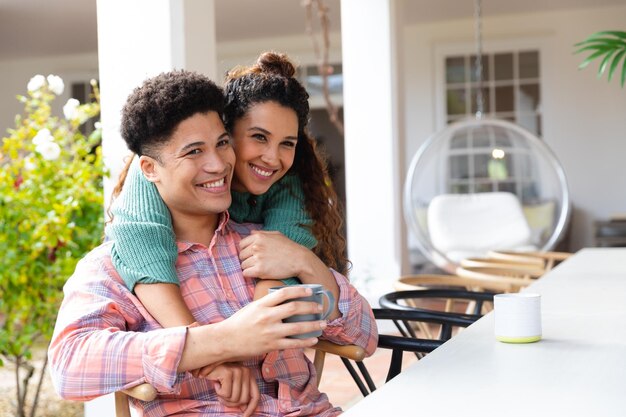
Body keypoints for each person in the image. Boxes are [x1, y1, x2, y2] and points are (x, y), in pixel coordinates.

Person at [48, 69, 377, 417]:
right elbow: (70, 364)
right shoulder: (115, 266)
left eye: (222, 143)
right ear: (149, 169)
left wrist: (305, 263)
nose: (219, 164)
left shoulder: (265, 244)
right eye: (193, 152)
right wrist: (219, 343)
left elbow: (365, 336)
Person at [107, 52, 348, 328]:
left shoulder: (287, 182)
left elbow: (279, 256)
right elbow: (141, 244)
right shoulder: (151, 173)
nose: (272, 158)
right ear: (226, 129)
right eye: (259, 137)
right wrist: (212, 345)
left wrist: (300, 265)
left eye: (287, 143)